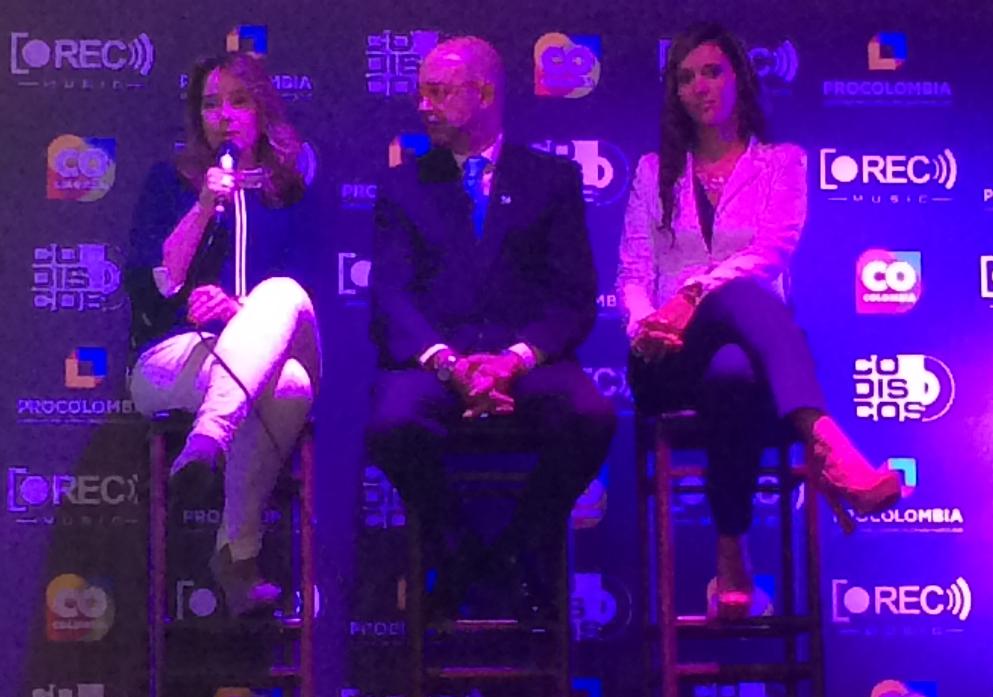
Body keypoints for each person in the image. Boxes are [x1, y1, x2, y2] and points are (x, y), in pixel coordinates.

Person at [617, 23, 901, 619]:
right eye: (686, 78)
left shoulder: (782, 164)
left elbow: (772, 251)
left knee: (734, 370)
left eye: (712, 71)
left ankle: (730, 552)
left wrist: (695, 292)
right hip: (667, 358)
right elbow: (634, 271)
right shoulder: (652, 171)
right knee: (737, 305)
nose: (700, 87)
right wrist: (646, 326)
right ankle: (826, 442)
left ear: (740, 78)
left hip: (749, 361)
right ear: (675, 93)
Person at [366, 36, 616, 619]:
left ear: (483, 94)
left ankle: (519, 546)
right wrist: (449, 364)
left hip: (527, 364)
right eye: (421, 91)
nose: (423, 105)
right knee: (392, 422)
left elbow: (574, 297)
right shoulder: (403, 187)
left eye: (438, 92)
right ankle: (461, 551)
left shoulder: (551, 180)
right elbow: (391, 297)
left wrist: (513, 360)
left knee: (591, 418)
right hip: (436, 365)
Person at [125, 52, 320, 617]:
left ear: (262, 111)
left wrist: (239, 309)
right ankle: (237, 555)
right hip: (177, 356)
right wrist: (205, 204)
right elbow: (159, 285)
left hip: (281, 340)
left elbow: (313, 293)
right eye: (211, 104)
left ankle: (207, 441)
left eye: (239, 102)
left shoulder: (289, 192)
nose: (225, 116)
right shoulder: (170, 184)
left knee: (280, 291)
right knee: (288, 388)